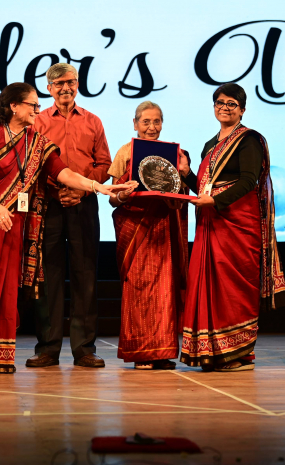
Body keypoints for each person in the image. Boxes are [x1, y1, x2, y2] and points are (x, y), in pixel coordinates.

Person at [0, 82, 134, 373]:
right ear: (13, 106)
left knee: (4, 287)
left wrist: (98, 187)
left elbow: (63, 172)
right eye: (32, 104)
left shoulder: (36, 142)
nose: (37, 109)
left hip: (12, 222)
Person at [179, 83, 285, 372]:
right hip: (212, 222)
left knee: (234, 287)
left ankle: (238, 354)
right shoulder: (210, 145)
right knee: (210, 286)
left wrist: (215, 201)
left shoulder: (249, 140)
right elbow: (204, 189)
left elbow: (249, 181)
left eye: (231, 104)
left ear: (242, 109)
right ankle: (213, 353)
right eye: (220, 102)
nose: (224, 108)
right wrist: (186, 174)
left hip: (238, 225)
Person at [29, 63, 113, 369]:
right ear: (49, 89)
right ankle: (48, 348)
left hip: (84, 204)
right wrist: (57, 191)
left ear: (78, 85)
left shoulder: (93, 121)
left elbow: (105, 164)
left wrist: (81, 191)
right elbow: (31, 163)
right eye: (59, 83)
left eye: (71, 82)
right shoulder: (37, 121)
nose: (66, 88)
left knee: (85, 275)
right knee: (48, 277)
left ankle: (84, 349)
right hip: (49, 205)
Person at [108, 101, 189, 370]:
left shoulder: (173, 154)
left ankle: (162, 352)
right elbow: (112, 198)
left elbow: (180, 193)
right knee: (138, 289)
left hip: (163, 229)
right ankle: (141, 354)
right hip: (136, 230)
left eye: (157, 121)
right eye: (146, 122)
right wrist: (124, 194)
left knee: (164, 290)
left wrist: (182, 178)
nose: (152, 127)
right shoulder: (125, 152)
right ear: (135, 124)